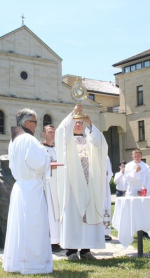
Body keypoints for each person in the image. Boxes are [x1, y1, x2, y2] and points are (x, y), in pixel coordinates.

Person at [3, 109, 52, 275]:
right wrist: (46, 156)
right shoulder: (29, 140)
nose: (37, 125)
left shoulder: (14, 140)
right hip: (31, 187)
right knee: (33, 227)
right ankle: (34, 264)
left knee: (20, 226)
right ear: (26, 123)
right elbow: (39, 162)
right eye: (35, 122)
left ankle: (17, 263)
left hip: (20, 186)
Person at [55, 104, 108, 261]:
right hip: (73, 184)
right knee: (73, 216)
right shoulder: (67, 141)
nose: (78, 124)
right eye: (75, 122)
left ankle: (86, 250)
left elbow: (100, 143)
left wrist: (90, 124)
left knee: (88, 214)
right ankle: (71, 251)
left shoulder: (89, 140)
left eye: (80, 122)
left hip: (88, 183)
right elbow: (61, 132)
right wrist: (73, 113)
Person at [42, 124, 62, 253]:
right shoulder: (41, 149)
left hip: (58, 184)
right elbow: (41, 165)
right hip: (48, 184)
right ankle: (50, 241)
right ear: (44, 134)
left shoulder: (56, 149)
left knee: (58, 213)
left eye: (54, 132)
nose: (52, 134)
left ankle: (58, 239)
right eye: (49, 132)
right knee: (50, 213)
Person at [104, 157, 113, 241]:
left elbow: (109, 173)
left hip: (104, 187)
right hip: (93, 187)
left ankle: (105, 232)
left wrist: (106, 174)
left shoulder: (106, 157)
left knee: (105, 210)